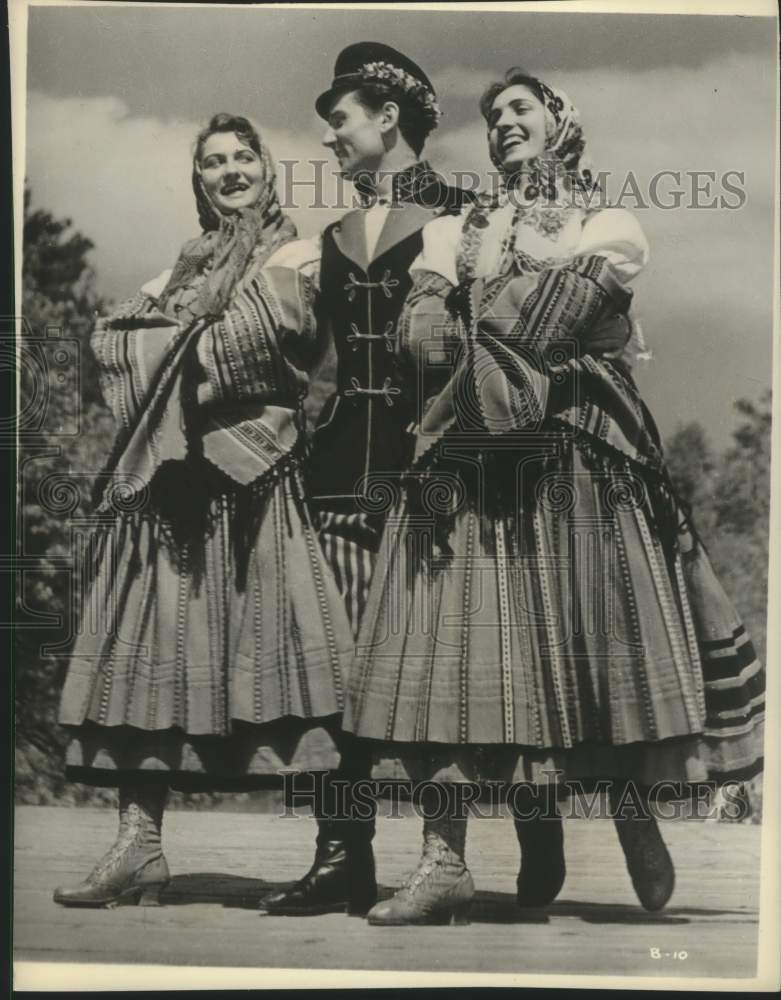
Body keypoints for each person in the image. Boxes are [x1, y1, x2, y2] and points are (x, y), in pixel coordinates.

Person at [342, 68, 766, 925]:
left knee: (589, 636)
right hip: (466, 457)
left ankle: (630, 811)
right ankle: (444, 858)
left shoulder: (605, 222)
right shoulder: (455, 228)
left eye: (520, 109)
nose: (502, 123)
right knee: (451, 643)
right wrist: (466, 318)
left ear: (559, 122)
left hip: (579, 454)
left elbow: (545, 321)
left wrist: (470, 314)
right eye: (492, 114)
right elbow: (416, 341)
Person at [53, 114, 354, 908]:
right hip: (174, 483)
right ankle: (137, 849)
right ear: (199, 181)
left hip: (264, 474)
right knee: (150, 656)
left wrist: (188, 354)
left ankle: (336, 855)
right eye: (212, 163)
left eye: (241, 157)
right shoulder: (179, 271)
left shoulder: (300, 253)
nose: (229, 172)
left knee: (295, 655)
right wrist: (185, 355)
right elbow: (116, 346)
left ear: (266, 167)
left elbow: (293, 353)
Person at [258, 42, 474, 917]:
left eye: (338, 118)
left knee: (434, 673)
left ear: (389, 118)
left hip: (434, 478)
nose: (327, 136)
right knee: (334, 684)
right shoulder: (333, 238)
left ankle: (444, 860)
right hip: (342, 479)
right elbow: (324, 367)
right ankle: (341, 856)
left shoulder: (468, 213)